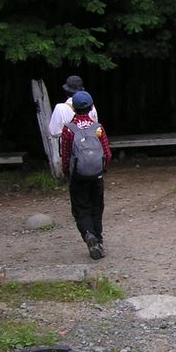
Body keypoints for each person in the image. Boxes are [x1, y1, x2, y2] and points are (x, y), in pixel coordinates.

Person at [60, 91, 112, 260]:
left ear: (74, 108)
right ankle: (99, 240)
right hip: (96, 175)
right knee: (97, 207)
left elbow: (66, 155)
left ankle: (89, 235)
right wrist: (102, 169)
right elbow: (107, 153)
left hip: (78, 177)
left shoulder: (68, 129)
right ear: (91, 107)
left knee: (81, 208)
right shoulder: (97, 128)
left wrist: (67, 172)